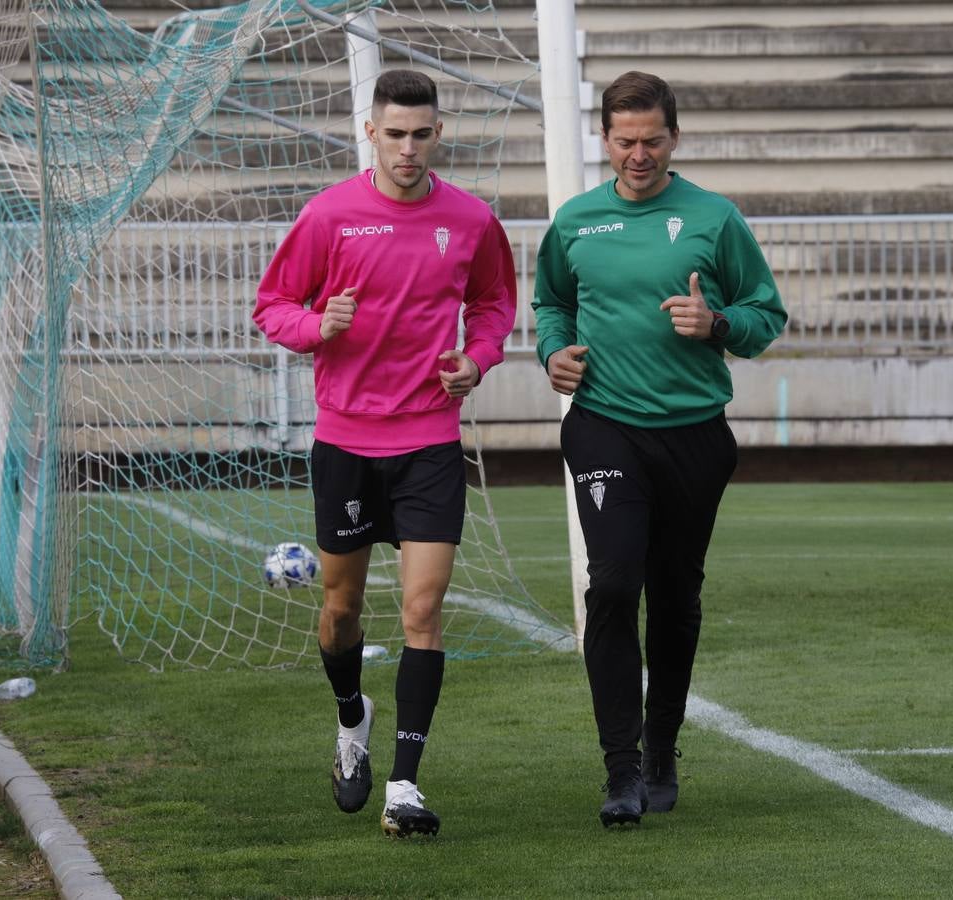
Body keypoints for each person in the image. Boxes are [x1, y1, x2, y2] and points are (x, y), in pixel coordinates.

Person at [253, 68, 517, 837]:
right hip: (346, 440)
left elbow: (494, 303)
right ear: (369, 132)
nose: (408, 148)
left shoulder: (469, 219)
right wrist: (316, 328)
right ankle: (350, 718)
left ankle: (404, 787)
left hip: (431, 437)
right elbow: (272, 305)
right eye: (394, 133)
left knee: (423, 610)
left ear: (441, 132)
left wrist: (480, 358)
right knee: (341, 610)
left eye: (422, 133)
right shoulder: (330, 215)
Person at [532, 71, 787, 827]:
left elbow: (766, 315)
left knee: (674, 598)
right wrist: (553, 352)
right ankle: (619, 773)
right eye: (623, 141)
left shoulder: (713, 217)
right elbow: (551, 300)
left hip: (695, 435)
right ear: (604, 140)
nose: (637, 154)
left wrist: (718, 326)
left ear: (674, 137)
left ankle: (661, 751)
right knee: (612, 584)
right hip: (604, 424)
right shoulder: (577, 220)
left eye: (651, 140)